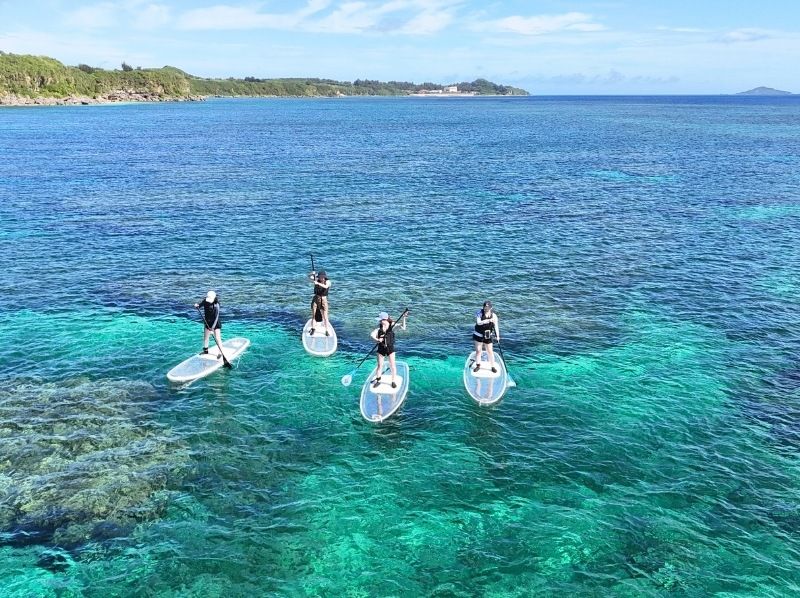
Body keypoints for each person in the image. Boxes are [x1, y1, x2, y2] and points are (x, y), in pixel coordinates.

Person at [371, 311, 398, 389]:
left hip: (390, 348)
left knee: (392, 366)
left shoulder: (392, 326)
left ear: (384, 319)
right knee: (380, 366)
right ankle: (378, 381)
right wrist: (377, 339)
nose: (379, 321)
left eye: (380, 319)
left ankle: (393, 381)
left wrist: (404, 318)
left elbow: (403, 327)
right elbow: (372, 334)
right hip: (381, 349)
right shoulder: (379, 328)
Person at [194, 290, 224, 357]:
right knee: (206, 337)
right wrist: (197, 306)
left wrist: (212, 329)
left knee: (217, 338)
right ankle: (206, 351)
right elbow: (200, 305)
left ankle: (220, 353)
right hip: (207, 322)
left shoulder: (216, 304)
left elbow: (216, 318)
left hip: (215, 323)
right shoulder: (205, 300)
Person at [472, 300, 499, 373]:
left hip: (487, 335)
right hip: (478, 334)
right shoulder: (479, 313)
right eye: (485, 307)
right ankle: (478, 365)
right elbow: (478, 322)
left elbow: (496, 327)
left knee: (490, 351)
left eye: (487, 307)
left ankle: (492, 366)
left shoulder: (494, 316)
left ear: (491, 308)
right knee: (478, 351)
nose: (486, 309)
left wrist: (498, 336)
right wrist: (487, 320)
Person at [309, 270, 331, 336]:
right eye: (320, 277)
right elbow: (309, 277)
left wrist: (318, 283)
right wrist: (312, 273)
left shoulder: (328, 281)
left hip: (324, 299)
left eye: (322, 277)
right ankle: (313, 328)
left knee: (325, 316)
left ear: (324, 277)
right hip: (316, 299)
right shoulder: (317, 279)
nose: (321, 278)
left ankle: (326, 330)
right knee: (314, 315)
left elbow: (326, 286)